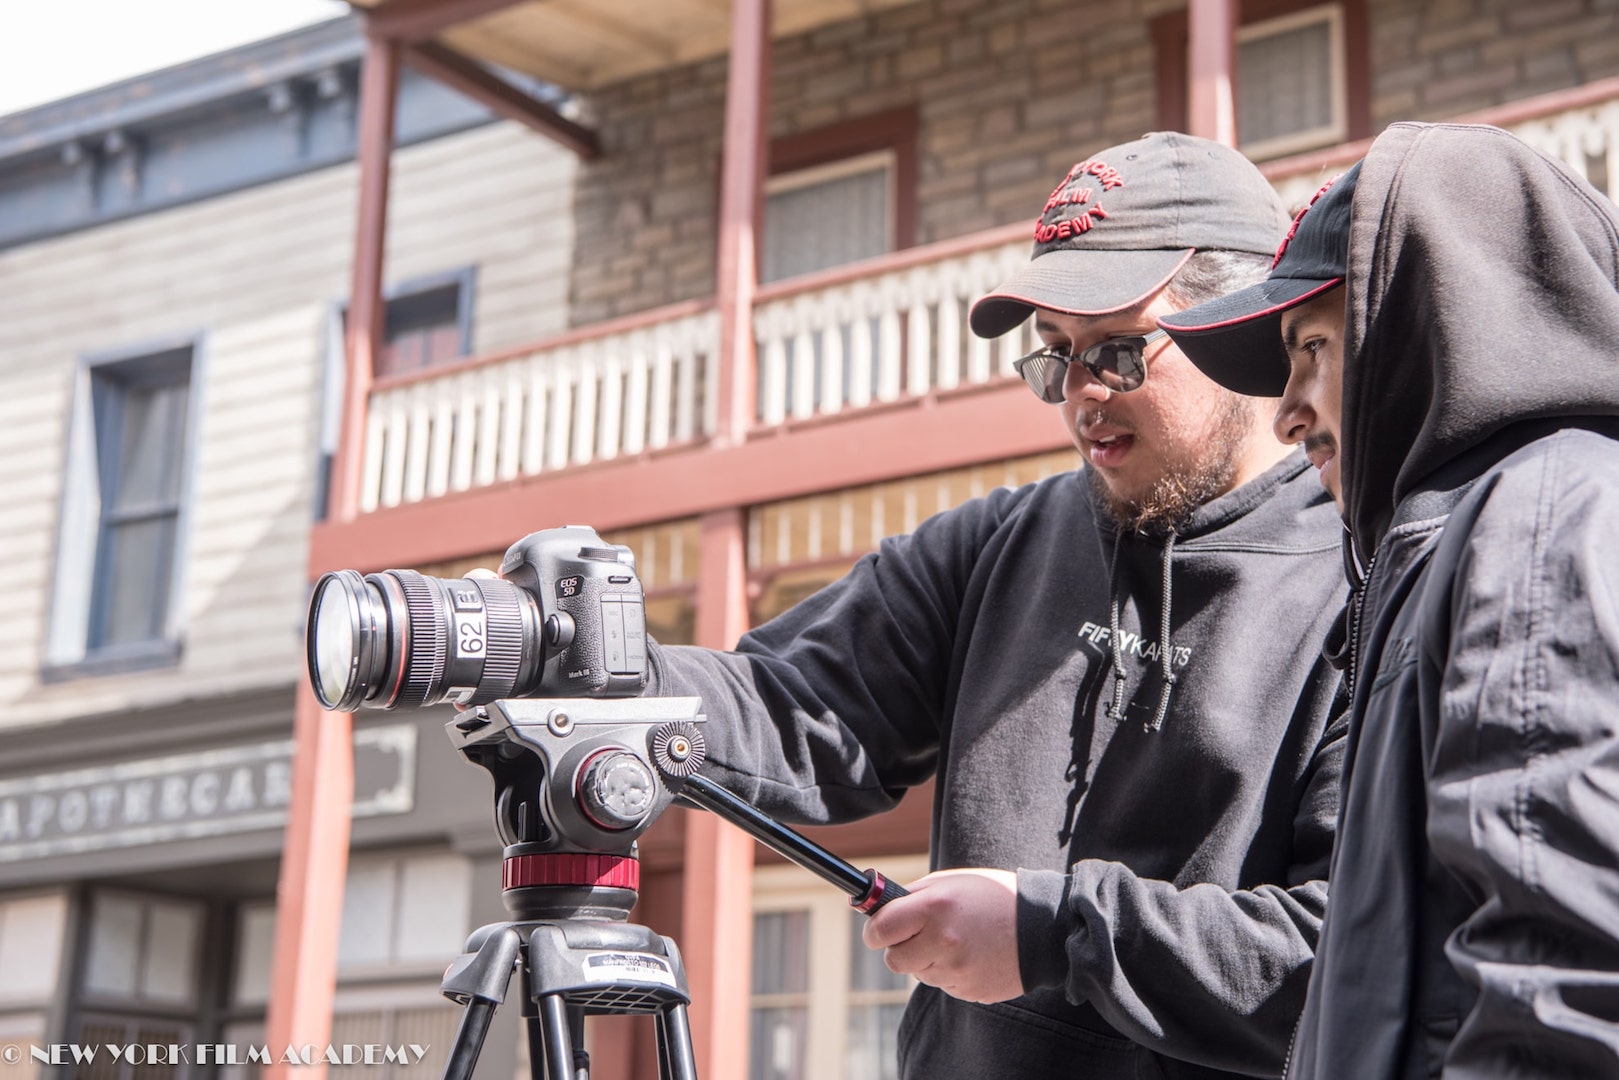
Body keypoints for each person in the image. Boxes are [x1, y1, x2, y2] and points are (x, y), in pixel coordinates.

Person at [644, 131, 1353, 1079]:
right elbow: (781, 701)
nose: (1080, 398)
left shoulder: (1367, 584)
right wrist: (569, 658)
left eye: (1118, 353)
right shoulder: (992, 546)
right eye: (1056, 357)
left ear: (1243, 328)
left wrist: (1051, 934)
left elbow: (1341, 954)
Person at [1160, 121, 1619, 1076]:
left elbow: (1561, 985)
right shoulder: (1454, 543)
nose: (1284, 415)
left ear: (1431, 317)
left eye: (1311, 348)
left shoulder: (1538, 519)